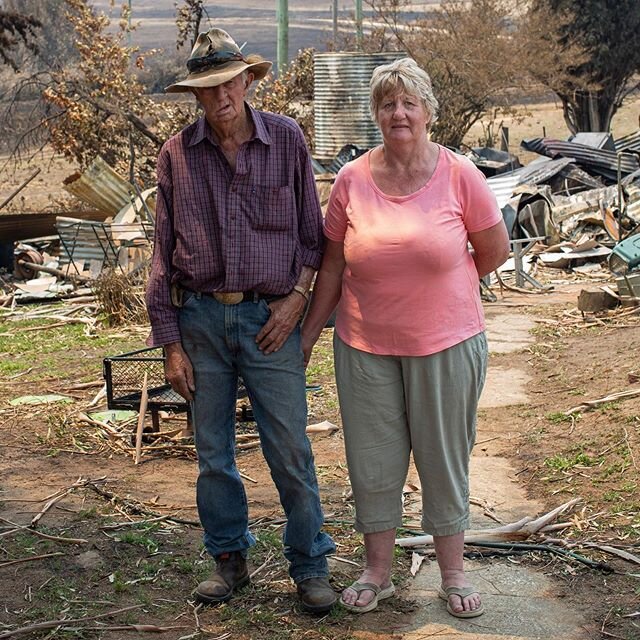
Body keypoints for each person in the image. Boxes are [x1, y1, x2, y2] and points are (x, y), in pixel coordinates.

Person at [301, 57, 510, 617]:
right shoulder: (351, 179)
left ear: (427, 112)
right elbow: (333, 265)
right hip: (364, 346)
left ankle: (453, 572)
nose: (398, 112)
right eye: (388, 103)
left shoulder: (460, 173)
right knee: (373, 462)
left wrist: (440, 288)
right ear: (376, 113)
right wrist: (307, 337)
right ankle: (377, 571)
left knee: (443, 459)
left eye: (408, 102)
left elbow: (494, 251)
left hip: (446, 345)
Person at [145, 27, 337, 614]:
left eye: (229, 82)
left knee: (289, 448)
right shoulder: (177, 153)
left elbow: (314, 238)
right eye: (206, 88)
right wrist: (169, 343)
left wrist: (295, 301)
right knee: (212, 451)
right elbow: (161, 255)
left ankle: (310, 565)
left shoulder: (286, 140)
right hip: (200, 320)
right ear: (195, 96)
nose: (220, 96)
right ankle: (229, 560)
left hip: (269, 320)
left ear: (248, 80)